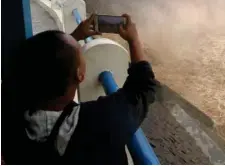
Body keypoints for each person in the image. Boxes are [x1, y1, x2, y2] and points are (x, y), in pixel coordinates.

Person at [2, 14, 159, 165]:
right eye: (79, 53)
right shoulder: (99, 122)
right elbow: (144, 87)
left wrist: (75, 36)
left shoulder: (10, 112)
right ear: (80, 75)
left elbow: (34, 65)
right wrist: (134, 39)